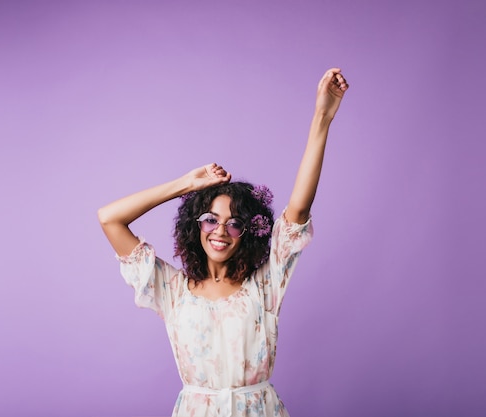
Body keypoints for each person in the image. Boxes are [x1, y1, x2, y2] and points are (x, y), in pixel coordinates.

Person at [98, 68, 349, 417]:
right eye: (211, 220)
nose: (220, 231)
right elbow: (110, 218)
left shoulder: (265, 285)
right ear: (195, 226)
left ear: (249, 232)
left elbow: (299, 209)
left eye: (234, 224)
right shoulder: (174, 291)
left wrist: (323, 116)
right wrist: (186, 184)